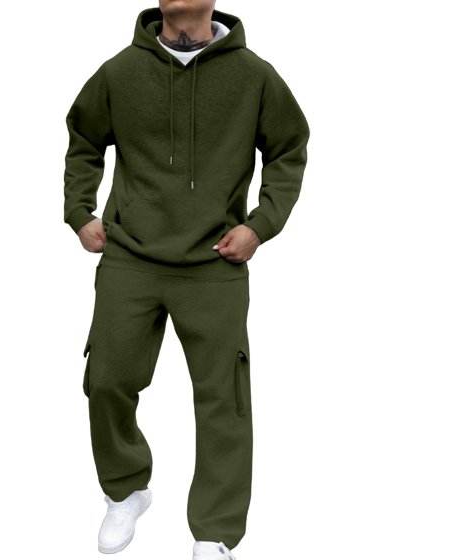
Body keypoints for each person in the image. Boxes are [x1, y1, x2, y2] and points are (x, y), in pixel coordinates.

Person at [63, 1, 309, 558]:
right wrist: (79, 212)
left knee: (224, 398)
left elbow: (289, 150)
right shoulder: (119, 72)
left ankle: (215, 531)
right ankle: (126, 489)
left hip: (215, 263)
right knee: (107, 379)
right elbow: (83, 141)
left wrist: (260, 226)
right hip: (131, 257)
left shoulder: (254, 77)